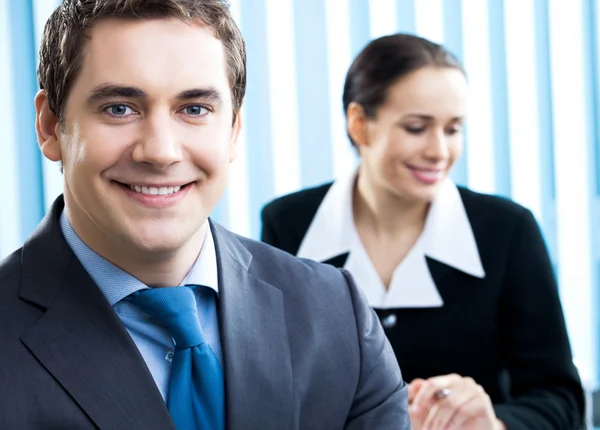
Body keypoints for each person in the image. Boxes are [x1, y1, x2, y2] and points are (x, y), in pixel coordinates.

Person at [0, 1, 412, 429]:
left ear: (233, 128)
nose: (161, 151)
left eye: (194, 109)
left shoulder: (337, 315)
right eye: (119, 107)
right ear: (50, 126)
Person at [261, 33, 585, 430]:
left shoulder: (507, 230)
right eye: (417, 127)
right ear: (360, 125)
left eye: (453, 129)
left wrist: (493, 425)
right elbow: (272, 387)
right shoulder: (289, 223)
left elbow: (560, 399)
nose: (439, 151)